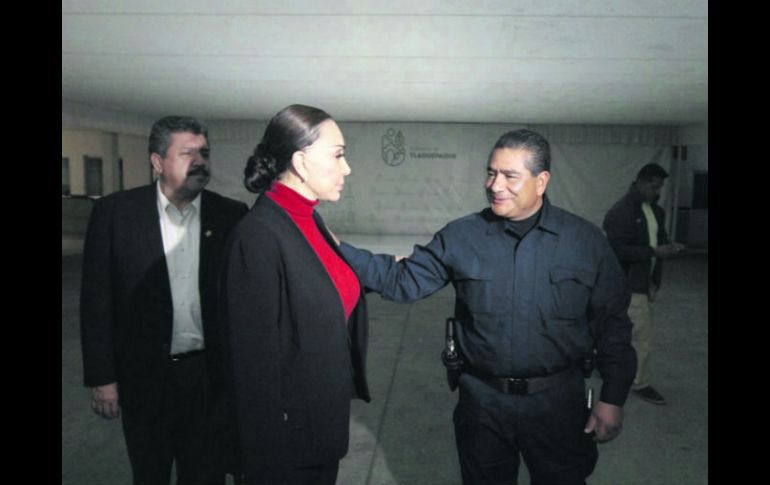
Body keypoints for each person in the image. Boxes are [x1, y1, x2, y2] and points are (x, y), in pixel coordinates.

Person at [337, 129, 636, 485]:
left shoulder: (584, 242)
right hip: (483, 405)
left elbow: (613, 325)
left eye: (510, 176)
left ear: (541, 181)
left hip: (558, 404)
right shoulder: (462, 237)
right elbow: (402, 280)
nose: (495, 185)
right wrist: (331, 247)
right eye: (491, 173)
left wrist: (612, 397)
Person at [79, 116, 249, 485]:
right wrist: (102, 378)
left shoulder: (231, 216)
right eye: (187, 153)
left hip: (208, 379)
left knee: (206, 475)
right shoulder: (116, 214)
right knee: (150, 472)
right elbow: (96, 302)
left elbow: (243, 302)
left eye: (204, 153)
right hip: (144, 378)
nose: (200, 161)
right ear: (157, 161)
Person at [219, 104, 371, 485]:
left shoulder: (307, 218)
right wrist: (265, 461)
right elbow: (252, 366)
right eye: (338, 155)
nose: (347, 168)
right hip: (286, 446)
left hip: (319, 427)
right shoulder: (257, 236)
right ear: (301, 163)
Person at [602, 163, 685, 406]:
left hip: (643, 282)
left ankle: (606, 364)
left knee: (621, 331)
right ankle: (639, 382)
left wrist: (667, 251)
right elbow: (616, 250)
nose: (656, 191)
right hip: (628, 285)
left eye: (659, 187)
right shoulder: (621, 212)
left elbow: (658, 242)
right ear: (640, 182)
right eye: (653, 186)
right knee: (641, 337)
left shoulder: (655, 210)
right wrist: (654, 252)